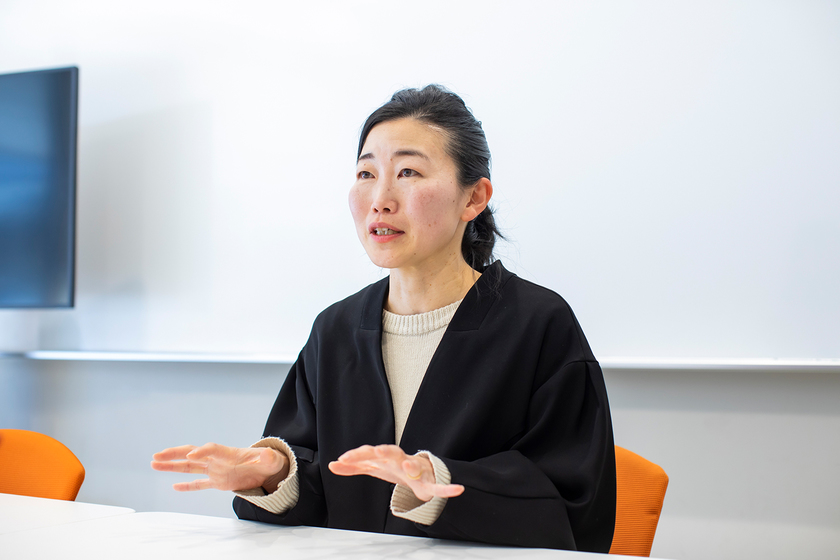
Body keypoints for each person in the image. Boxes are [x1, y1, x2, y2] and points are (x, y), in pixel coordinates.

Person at [151, 85, 616, 552]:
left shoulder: (539, 324)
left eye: (408, 172)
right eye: (366, 173)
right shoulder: (334, 330)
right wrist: (276, 474)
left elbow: (573, 504)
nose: (380, 199)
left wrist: (437, 483)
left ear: (473, 198)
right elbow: (323, 490)